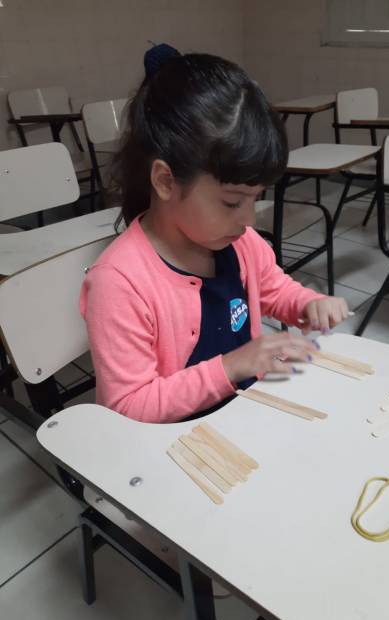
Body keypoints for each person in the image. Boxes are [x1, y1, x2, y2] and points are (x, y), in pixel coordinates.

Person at [80, 53, 349, 423]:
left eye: (255, 199)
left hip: (241, 413)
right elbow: (128, 406)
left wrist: (307, 304)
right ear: (165, 181)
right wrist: (231, 367)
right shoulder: (120, 283)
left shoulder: (239, 243)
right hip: (174, 438)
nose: (249, 220)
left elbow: (273, 289)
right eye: (232, 202)